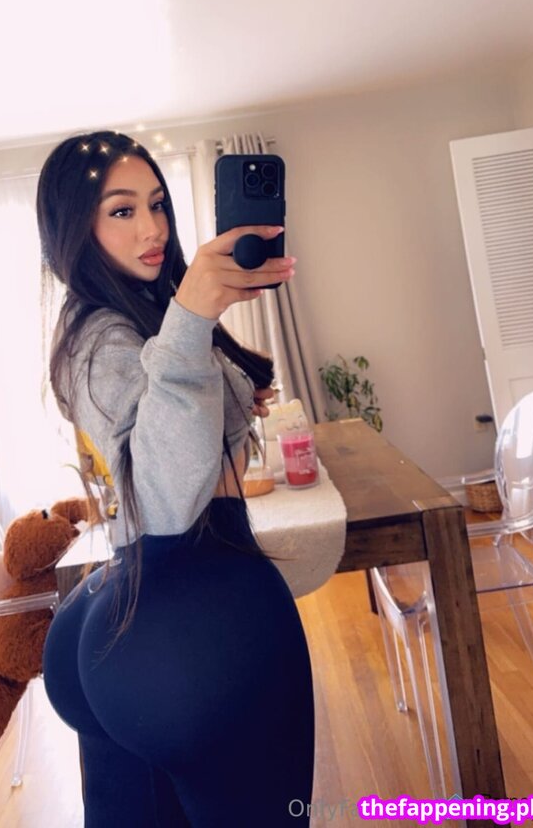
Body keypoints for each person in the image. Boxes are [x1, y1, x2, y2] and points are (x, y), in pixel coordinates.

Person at [36, 131, 315, 828]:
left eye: (157, 204)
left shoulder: (139, 318)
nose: (153, 228)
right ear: (75, 230)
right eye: (122, 211)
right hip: (196, 604)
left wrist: (223, 386)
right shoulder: (99, 337)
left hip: (127, 609)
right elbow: (167, 497)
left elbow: (161, 440)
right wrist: (193, 320)